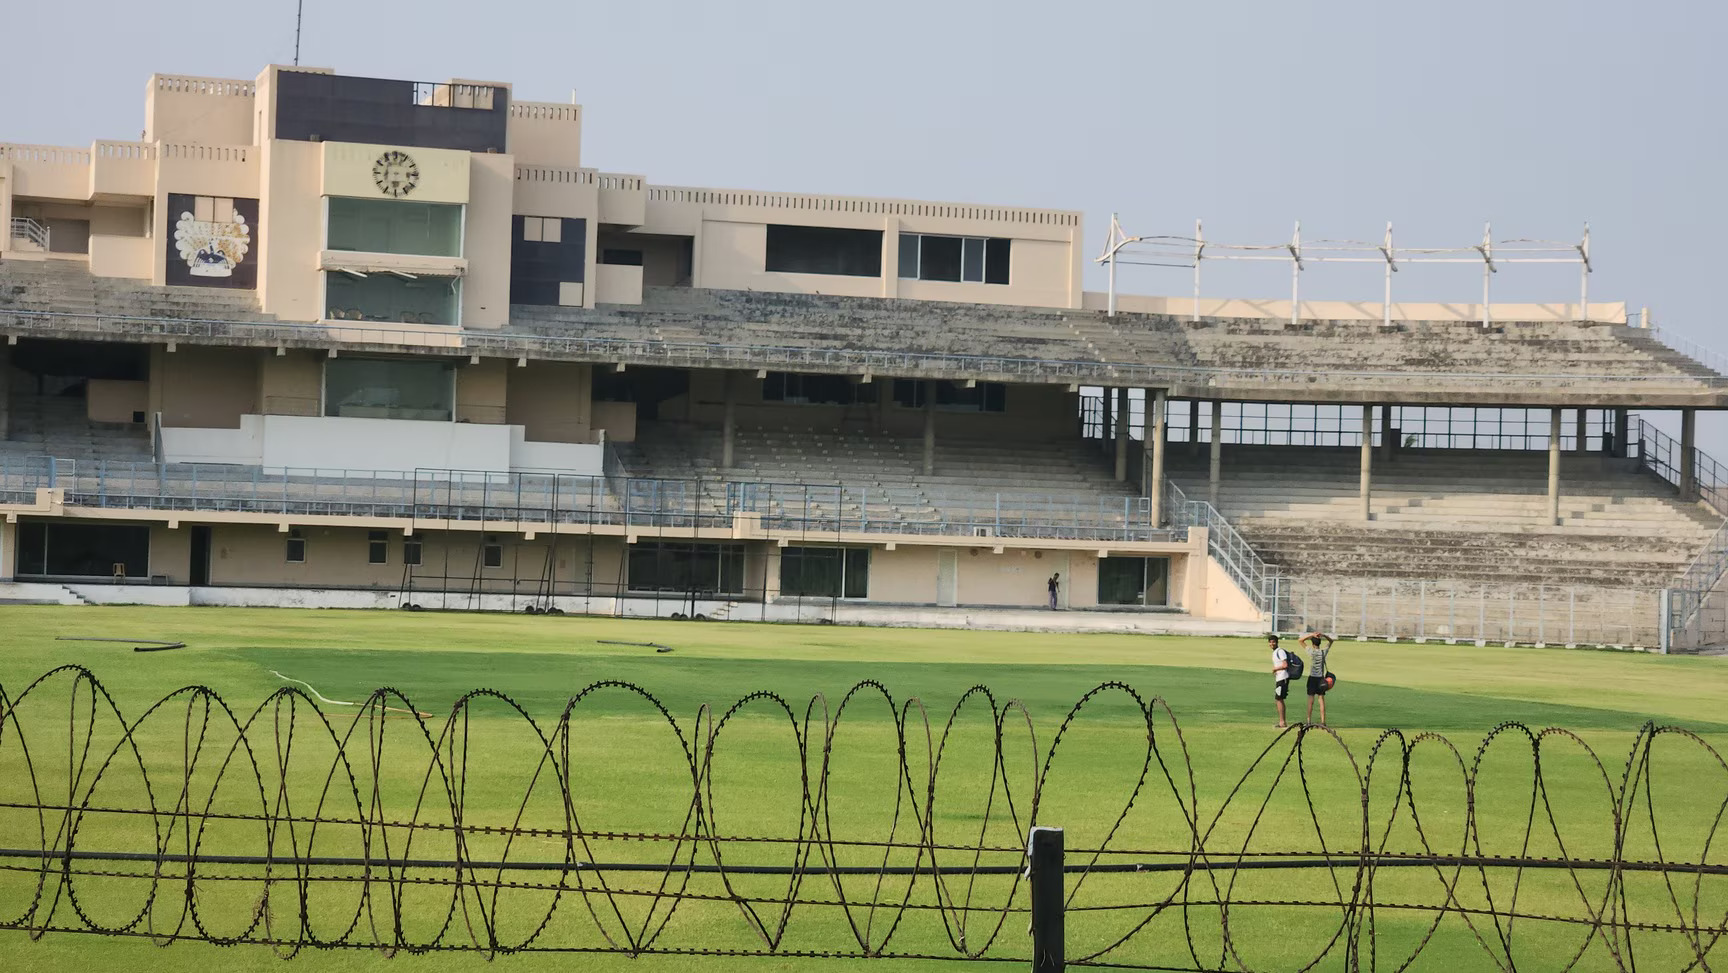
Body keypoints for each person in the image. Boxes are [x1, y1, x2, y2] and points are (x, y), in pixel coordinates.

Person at [1301, 631, 1336, 727]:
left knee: (1310, 701)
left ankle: (1308, 721)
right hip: (1321, 679)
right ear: (1320, 643)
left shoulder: (1311, 652)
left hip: (1312, 678)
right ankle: (1323, 722)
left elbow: (1300, 640)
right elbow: (1331, 641)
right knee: (1321, 700)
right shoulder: (1323, 652)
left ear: (1312, 644)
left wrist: (1311, 635)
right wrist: (1324, 635)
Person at [1269, 634, 1292, 728]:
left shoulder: (1280, 651)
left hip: (1283, 678)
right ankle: (1282, 721)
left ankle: (1282, 722)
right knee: (1279, 699)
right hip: (1280, 678)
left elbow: (1285, 665)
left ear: (1277, 642)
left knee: (1279, 699)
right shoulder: (1275, 652)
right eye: (1270, 642)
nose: (1272, 644)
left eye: (1273, 642)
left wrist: (1275, 669)